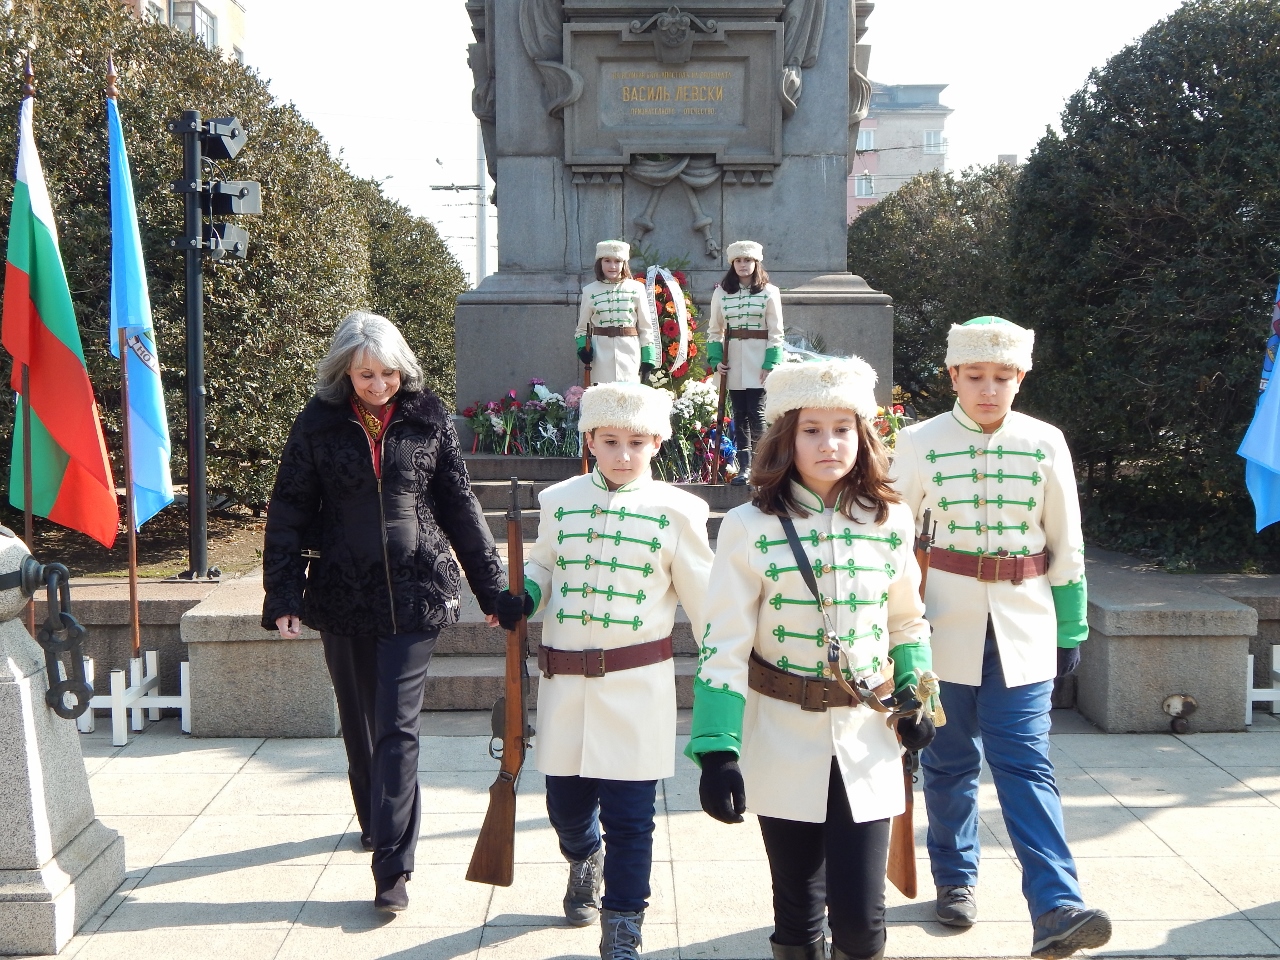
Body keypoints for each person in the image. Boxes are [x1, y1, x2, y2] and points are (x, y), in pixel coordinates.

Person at [686, 357, 935, 960]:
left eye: (843, 428)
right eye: (812, 430)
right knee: (796, 916)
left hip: (867, 734)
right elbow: (723, 643)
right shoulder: (748, 525)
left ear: (863, 435)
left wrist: (920, 698)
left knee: (862, 922)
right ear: (786, 438)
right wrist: (718, 751)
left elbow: (906, 620)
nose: (830, 443)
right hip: (781, 736)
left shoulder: (891, 519)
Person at [261, 311, 506, 913]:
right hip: (344, 594)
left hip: (419, 590)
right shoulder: (317, 426)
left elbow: (460, 506)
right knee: (360, 724)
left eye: (387, 372)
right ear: (345, 370)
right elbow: (288, 510)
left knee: (396, 727)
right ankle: (375, 818)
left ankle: (392, 866)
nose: (378, 385)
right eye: (365, 374)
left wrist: (491, 588)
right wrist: (284, 596)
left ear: (403, 368)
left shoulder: (429, 420)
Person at [891, 317, 1112, 960]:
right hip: (939, 623)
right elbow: (891, 539)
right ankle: (955, 877)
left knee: (1025, 762)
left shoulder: (1045, 441)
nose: (989, 390)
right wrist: (889, 627)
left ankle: (1055, 904)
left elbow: (1065, 539)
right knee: (949, 759)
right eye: (975, 376)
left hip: (1025, 622)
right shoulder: (918, 441)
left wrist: (1072, 623)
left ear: (1021, 376)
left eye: (1003, 377)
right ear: (953, 375)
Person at [494, 381, 713, 960]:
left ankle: (623, 927)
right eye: (610, 441)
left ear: (658, 442)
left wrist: (735, 659)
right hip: (565, 685)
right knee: (565, 805)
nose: (622, 454)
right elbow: (543, 563)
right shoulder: (559, 499)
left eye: (636, 442)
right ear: (589, 438)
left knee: (632, 817)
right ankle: (582, 857)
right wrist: (526, 594)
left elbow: (708, 602)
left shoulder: (679, 511)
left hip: (638, 688)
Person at [705, 240, 785, 484]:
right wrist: (716, 359)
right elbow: (714, 330)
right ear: (732, 263)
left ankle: (764, 465)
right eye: (738, 260)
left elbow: (776, 331)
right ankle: (745, 468)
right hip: (733, 362)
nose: (743, 265)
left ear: (756, 262)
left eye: (747, 260)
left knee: (757, 412)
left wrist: (770, 363)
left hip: (758, 359)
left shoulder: (770, 292)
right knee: (739, 414)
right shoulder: (722, 292)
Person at [576, 240, 658, 385]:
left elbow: (646, 327)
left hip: (630, 351)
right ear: (600, 263)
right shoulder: (589, 290)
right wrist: (583, 349)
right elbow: (582, 328)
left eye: (617, 261)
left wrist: (648, 359)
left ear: (624, 263)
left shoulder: (637, 288)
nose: (612, 266)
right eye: (607, 261)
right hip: (600, 355)